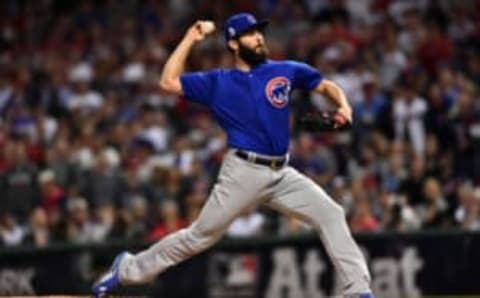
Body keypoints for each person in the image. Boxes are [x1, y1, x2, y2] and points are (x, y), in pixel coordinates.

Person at [92, 13, 374, 298]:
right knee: (200, 237)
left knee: (331, 213)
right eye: (250, 34)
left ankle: (359, 291)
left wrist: (344, 107)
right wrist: (191, 38)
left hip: (282, 173)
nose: (259, 37)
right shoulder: (218, 82)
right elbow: (168, 82)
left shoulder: (285, 70)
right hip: (244, 172)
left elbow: (325, 85)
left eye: (259, 32)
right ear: (234, 44)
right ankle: (127, 268)